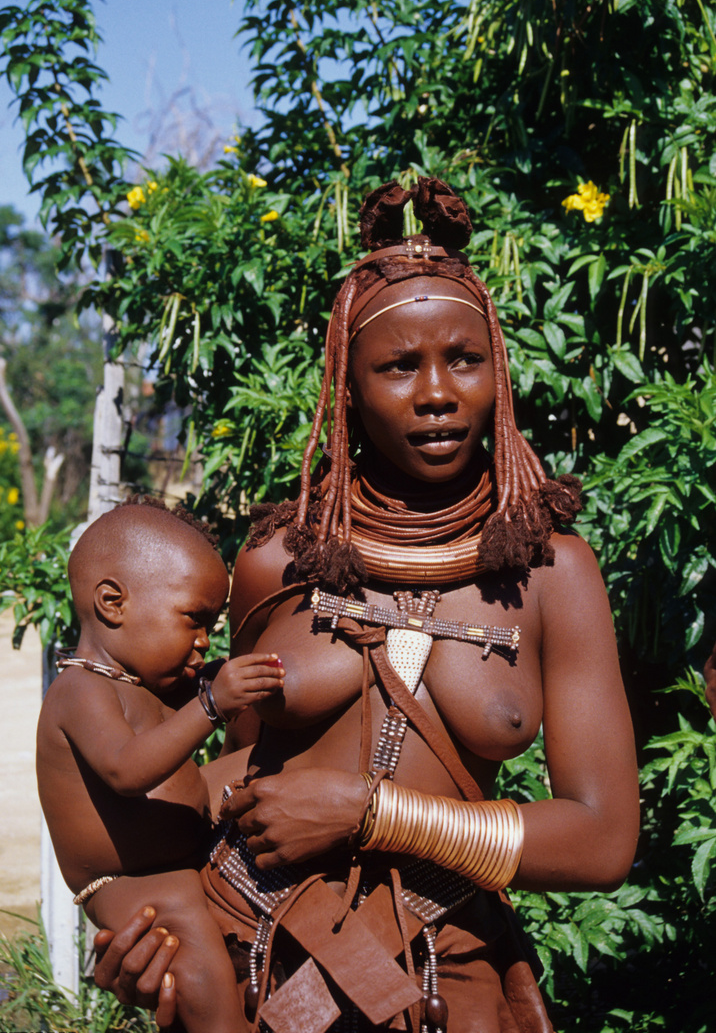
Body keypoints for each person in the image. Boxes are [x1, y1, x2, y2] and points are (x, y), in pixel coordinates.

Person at [94, 178, 640, 1033]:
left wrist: (374, 814)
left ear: (496, 369)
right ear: (347, 385)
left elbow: (603, 842)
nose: (436, 392)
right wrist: (150, 930)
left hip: (447, 985)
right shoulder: (280, 559)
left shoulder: (551, 573)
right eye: (397, 366)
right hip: (259, 977)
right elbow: (215, 791)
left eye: (464, 359)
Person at [36, 498, 285, 1033]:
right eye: (194, 620)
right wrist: (211, 703)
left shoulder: (144, 684)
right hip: (130, 883)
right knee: (191, 947)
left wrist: (220, 681)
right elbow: (127, 771)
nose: (203, 642)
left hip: (176, 861)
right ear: (112, 603)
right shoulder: (79, 692)